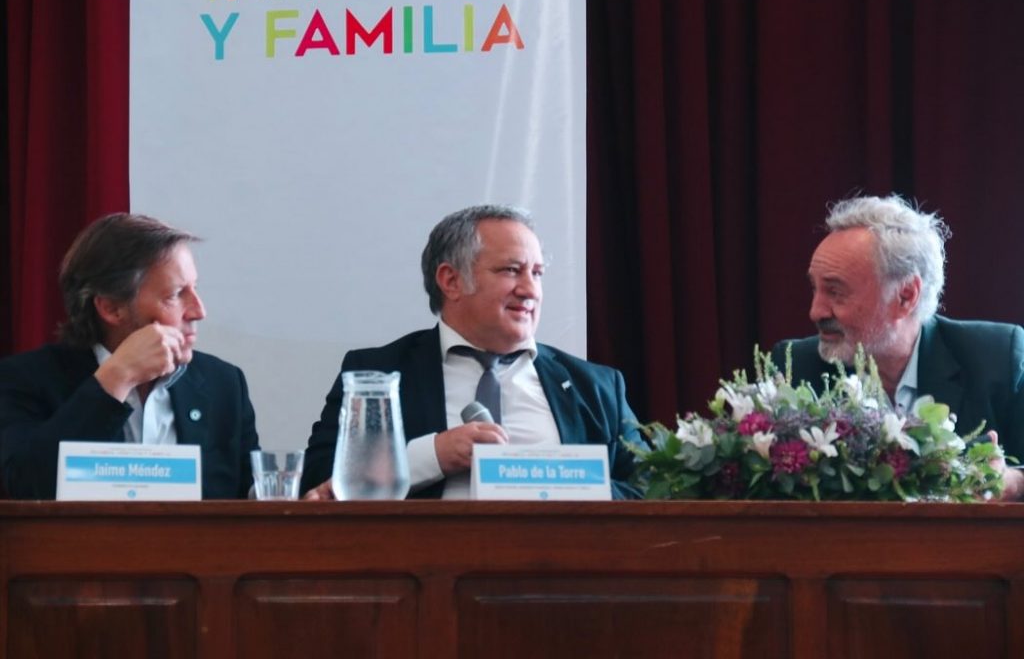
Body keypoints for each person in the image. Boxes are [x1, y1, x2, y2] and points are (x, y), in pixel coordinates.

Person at [301, 205, 644, 500]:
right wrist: (432, 456)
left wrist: (555, 482)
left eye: (537, 273)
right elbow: (319, 480)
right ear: (451, 281)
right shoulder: (379, 371)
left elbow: (651, 490)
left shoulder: (595, 386)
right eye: (511, 270)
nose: (530, 290)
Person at [771, 194, 1024, 499]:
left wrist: (1012, 483)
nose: (816, 311)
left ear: (906, 296)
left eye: (836, 292)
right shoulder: (795, 368)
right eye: (815, 288)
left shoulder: (998, 358)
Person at [0, 214, 260, 499]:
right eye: (175, 295)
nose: (199, 311)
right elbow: (28, 487)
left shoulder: (223, 383)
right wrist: (117, 377)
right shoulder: (25, 379)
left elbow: (254, 495)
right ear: (112, 309)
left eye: (194, 289)